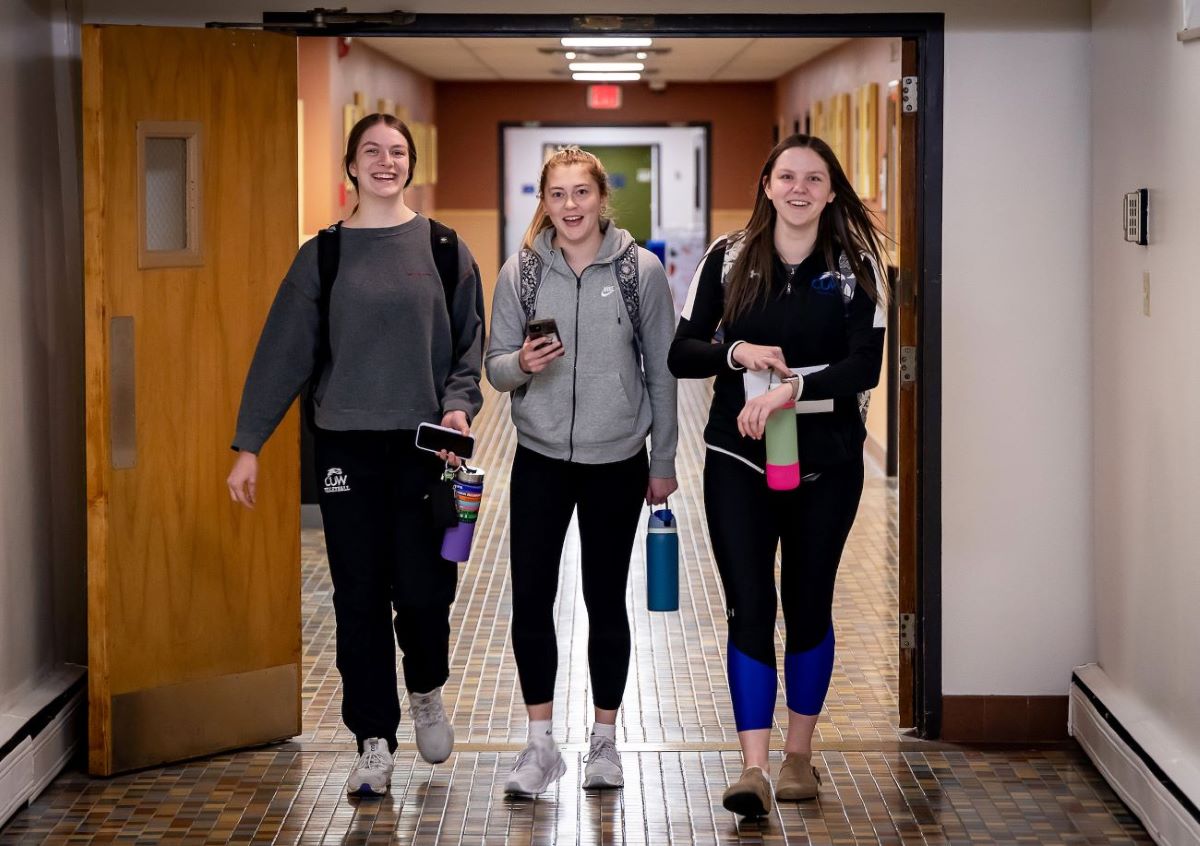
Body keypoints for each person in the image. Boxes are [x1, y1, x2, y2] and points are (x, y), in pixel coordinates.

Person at [226, 113, 484, 798]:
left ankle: (425, 688)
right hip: (345, 445)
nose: (385, 161)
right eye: (371, 150)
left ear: (412, 163)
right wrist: (250, 443)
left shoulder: (444, 247)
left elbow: (469, 345)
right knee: (359, 597)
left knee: (426, 593)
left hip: (426, 447)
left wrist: (460, 402)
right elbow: (284, 352)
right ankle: (373, 739)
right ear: (350, 164)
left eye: (398, 152)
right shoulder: (324, 255)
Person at [668, 134, 887, 818]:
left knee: (808, 601)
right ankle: (754, 769)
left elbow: (865, 366)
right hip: (738, 461)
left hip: (826, 460)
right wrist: (734, 352)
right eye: (786, 176)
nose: (799, 189)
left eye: (813, 178)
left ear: (829, 189)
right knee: (749, 607)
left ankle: (799, 757)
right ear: (766, 184)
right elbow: (683, 353)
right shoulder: (727, 258)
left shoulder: (856, 264)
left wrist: (792, 388)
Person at [485, 147, 679, 797]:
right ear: (543, 201)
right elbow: (495, 367)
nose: (570, 207)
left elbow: (663, 370)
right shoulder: (520, 273)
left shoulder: (639, 271)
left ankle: (604, 743)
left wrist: (665, 460)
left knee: (605, 601)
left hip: (616, 461)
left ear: (601, 198)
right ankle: (540, 747)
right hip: (539, 458)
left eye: (581, 193)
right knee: (531, 601)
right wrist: (525, 364)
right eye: (557, 194)